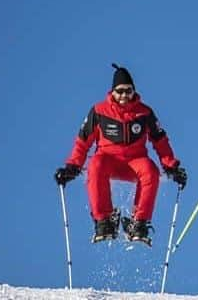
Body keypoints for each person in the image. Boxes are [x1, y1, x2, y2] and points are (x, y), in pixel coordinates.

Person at [54, 64, 187, 246]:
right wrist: (72, 166)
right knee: (96, 165)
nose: (124, 96)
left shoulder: (144, 112)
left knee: (150, 170)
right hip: (108, 159)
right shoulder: (99, 111)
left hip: (135, 161)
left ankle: (138, 222)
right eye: (120, 91)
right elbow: (83, 141)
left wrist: (172, 166)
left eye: (128, 91)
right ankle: (105, 220)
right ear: (112, 92)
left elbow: (160, 141)